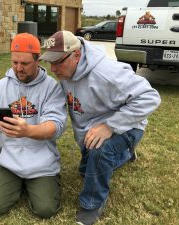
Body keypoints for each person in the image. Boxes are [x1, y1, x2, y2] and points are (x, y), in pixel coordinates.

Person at [39, 30, 161, 225]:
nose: (53, 68)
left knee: (100, 150)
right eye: (49, 62)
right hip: (94, 129)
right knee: (86, 171)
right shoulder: (67, 73)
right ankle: (125, 154)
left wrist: (110, 126)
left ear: (76, 55)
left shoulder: (106, 73)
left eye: (58, 62)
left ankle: (92, 205)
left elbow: (150, 97)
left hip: (127, 127)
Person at [0, 33, 67, 219]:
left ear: (37, 60)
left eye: (24, 64)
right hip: (9, 159)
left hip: (42, 162)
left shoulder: (51, 88)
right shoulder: (0, 87)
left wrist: (28, 131)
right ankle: (7, 178)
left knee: (46, 210)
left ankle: (40, 182)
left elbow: (56, 125)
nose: (18, 68)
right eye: (14, 62)